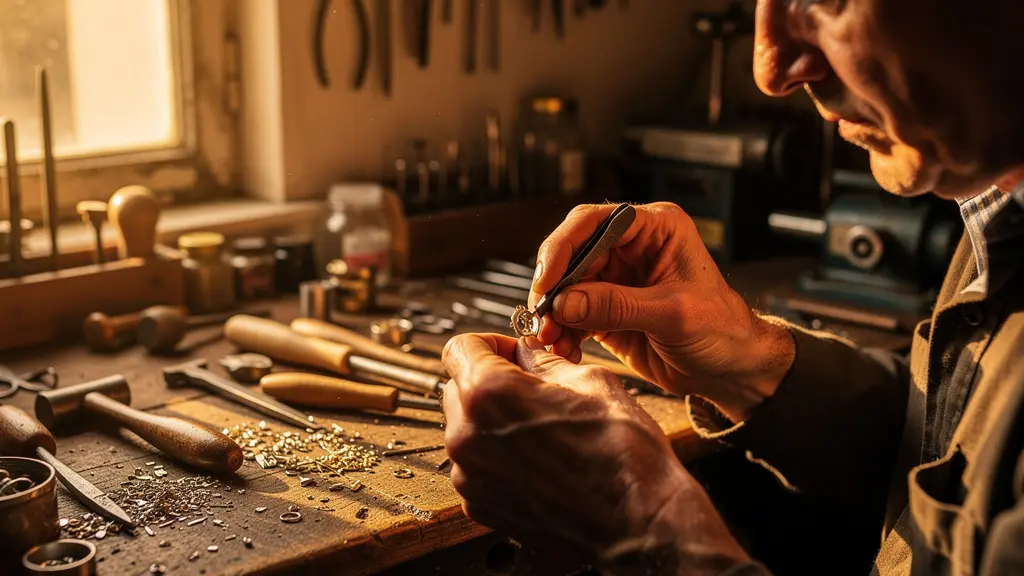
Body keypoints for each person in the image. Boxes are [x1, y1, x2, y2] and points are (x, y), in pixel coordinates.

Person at [440, 0, 1024, 574]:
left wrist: (644, 523)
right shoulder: (997, 208)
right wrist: (749, 363)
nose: (771, 70)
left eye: (821, 2)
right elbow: (951, 444)